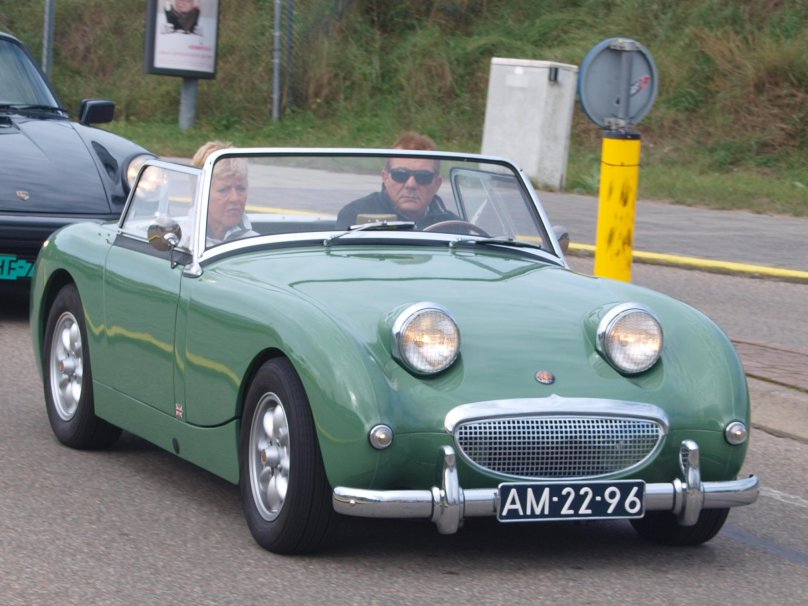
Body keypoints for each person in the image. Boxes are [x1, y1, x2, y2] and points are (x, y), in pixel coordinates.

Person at [335, 132, 458, 230]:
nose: (411, 185)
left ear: (437, 183)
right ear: (385, 177)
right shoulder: (354, 216)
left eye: (423, 177)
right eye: (400, 175)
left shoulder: (454, 227)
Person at [192, 140, 258, 246]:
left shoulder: (255, 245)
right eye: (223, 190)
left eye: (240, 188)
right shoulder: (178, 244)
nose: (235, 198)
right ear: (201, 193)